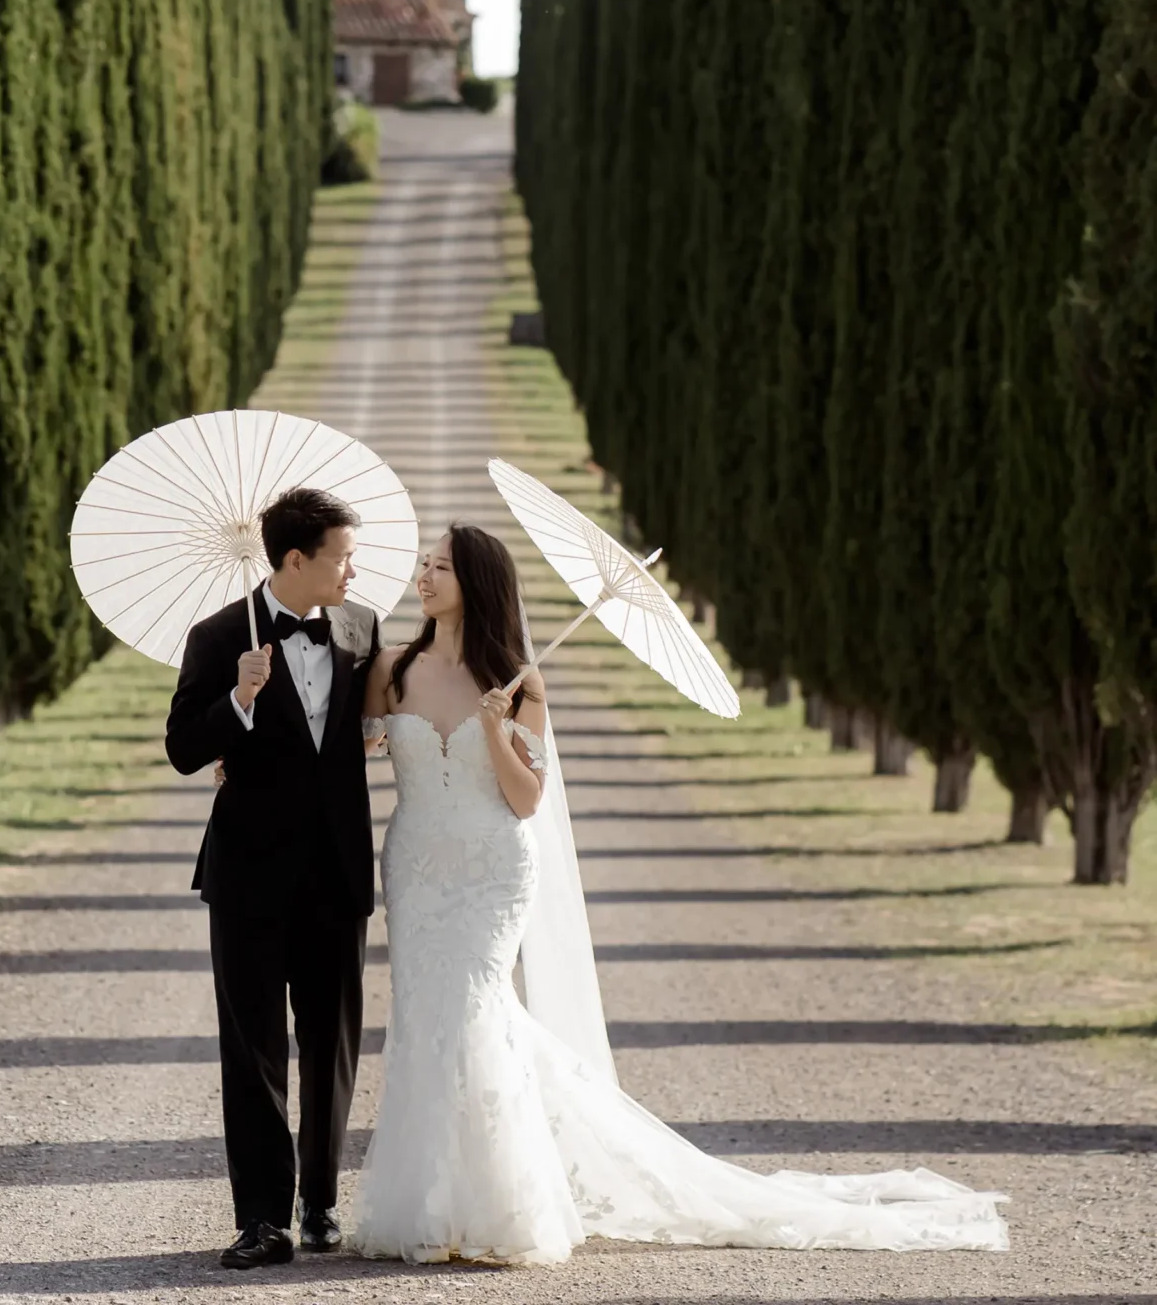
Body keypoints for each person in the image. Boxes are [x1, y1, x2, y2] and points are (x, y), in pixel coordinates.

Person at [354, 521, 1009, 1265]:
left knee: (473, 1011)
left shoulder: (522, 680)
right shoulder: (392, 668)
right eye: (424, 565)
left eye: (440, 566)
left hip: (490, 871)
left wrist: (499, 735)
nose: (425, 577)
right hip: (415, 868)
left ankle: (494, 1207)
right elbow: (356, 749)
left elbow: (527, 802)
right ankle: (427, 1204)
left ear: (478, 581)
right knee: (424, 1017)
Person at [165, 487, 381, 1270]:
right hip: (249, 875)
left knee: (332, 1043)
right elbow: (185, 747)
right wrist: (239, 698)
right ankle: (262, 1219)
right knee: (252, 1049)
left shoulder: (361, 629)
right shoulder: (219, 635)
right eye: (343, 557)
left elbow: (367, 723)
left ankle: (320, 1203)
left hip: (336, 871)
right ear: (297, 559)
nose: (354, 570)